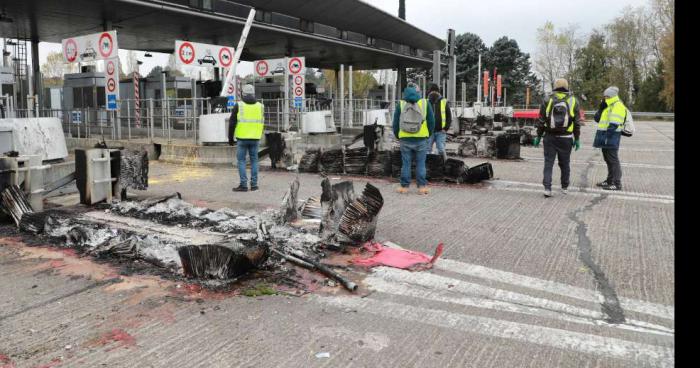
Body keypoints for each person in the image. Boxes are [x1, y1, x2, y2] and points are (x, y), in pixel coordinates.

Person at [533, 78, 582, 197]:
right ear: (567, 86)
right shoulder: (573, 100)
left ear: (555, 86)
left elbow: (541, 120)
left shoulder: (547, 99)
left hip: (550, 137)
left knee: (548, 163)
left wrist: (538, 136)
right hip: (566, 138)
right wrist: (577, 138)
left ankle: (547, 189)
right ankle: (564, 187)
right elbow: (577, 122)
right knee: (565, 163)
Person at [392, 83, 435, 195]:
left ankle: (404, 187)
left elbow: (395, 123)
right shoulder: (425, 103)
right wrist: (428, 134)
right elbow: (431, 122)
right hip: (421, 139)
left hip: (405, 139)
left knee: (406, 163)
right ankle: (422, 187)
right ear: (417, 91)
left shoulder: (401, 104)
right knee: (421, 163)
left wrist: (398, 135)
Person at [229, 84, 264, 192]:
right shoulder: (260, 106)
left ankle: (243, 185)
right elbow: (262, 122)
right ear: (254, 94)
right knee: (254, 161)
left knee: (241, 161)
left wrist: (230, 138)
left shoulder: (238, 105)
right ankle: (254, 185)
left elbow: (232, 123)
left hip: (242, 139)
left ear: (242, 94)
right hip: (255, 138)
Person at [593, 86, 627, 191]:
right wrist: (601, 108)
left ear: (611, 96)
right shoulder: (607, 106)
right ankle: (609, 180)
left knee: (613, 160)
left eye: (606, 96)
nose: (604, 98)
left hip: (611, 136)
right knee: (608, 159)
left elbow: (614, 124)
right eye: (604, 96)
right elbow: (597, 119)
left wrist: (607, 137)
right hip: (604, 136)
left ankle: (617, 183)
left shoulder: (618, 105)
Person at [426, 83, 452, 162]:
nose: (433, 93)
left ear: (438, 92)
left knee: (441, 149)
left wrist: (446, 128)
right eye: (432, 91)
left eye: (435, 91)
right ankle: (428, 166)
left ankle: (444, 164)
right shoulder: (426, 102)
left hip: (441, 131)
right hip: (429, 131)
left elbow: (449, 116)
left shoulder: (443, 101)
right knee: (427, 149)